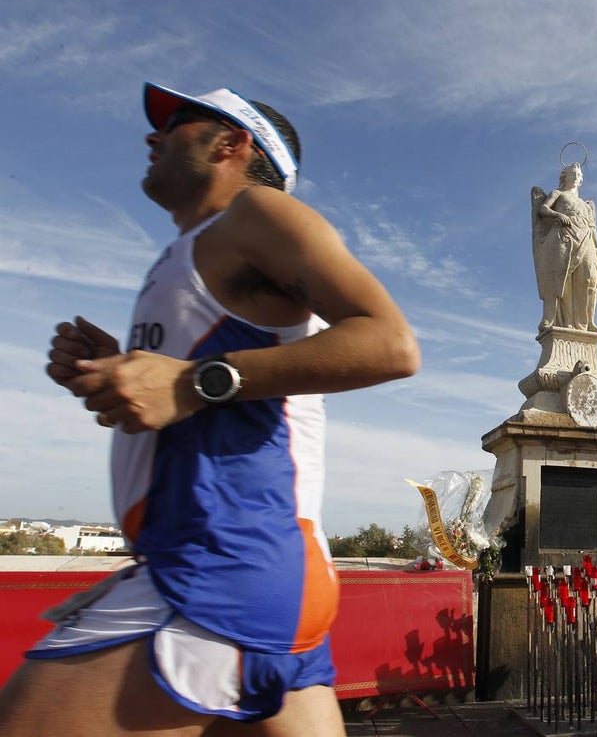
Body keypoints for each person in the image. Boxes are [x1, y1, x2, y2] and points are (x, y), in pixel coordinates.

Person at [0, 83, 420, 736]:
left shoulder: (258, 214)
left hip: (215, 570)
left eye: (175, 123)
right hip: (253, 571)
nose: (154, 135)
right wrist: (118, 368)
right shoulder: (194, 252)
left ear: (232, 142)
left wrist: (196, 381)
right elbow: (200, 389)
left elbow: (390, 343)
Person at [531, 162, 597, 333]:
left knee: (589, 279)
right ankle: (563, 321)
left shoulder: (586, 205)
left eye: (579, 175)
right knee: (562, 279)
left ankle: (587, 322)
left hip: (586, 238)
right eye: (573, 174)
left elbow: (592, 227)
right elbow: (543, 209)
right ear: (565, 176)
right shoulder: (558, 194)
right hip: (564, 238)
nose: (576, 178)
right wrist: (557, 214)